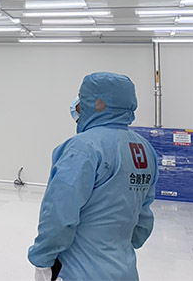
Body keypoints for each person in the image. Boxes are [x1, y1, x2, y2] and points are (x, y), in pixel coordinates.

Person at [28, 72, 158, 281]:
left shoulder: (83, 148)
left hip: (81, 271)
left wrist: (42, 259)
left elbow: (59, 212)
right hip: (125, 270)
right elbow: (143, 219)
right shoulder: (144, 149)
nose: (77, 104)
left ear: (98, 103)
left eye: (82, 98)